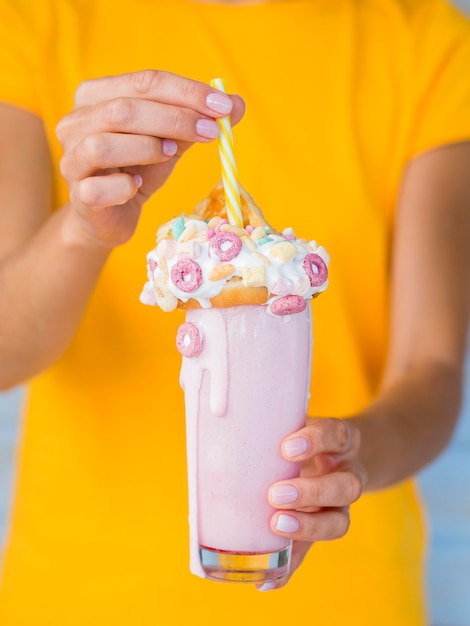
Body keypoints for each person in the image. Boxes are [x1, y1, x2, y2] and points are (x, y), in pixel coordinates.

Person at [0, 0, 469, 624]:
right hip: (80, 594)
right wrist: (84, 229)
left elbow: (431, 367)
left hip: (341, 600)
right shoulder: (34, 22)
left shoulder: (428, 41)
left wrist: (350, 457)